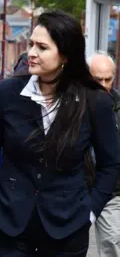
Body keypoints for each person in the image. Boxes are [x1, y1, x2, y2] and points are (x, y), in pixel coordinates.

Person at [0, 10, 120, 256]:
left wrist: (91, 211)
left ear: (65, 54)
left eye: (42, 47)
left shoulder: (95, 101)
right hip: (6, 222)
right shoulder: (6, 93)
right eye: (31, 44)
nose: (31, 53)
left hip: (68, 225)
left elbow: (111, 164)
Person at [87, 51, 120, 257]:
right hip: (77, 188)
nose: (104, 84)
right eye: (98, 79)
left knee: (113, 242)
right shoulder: (74, 104)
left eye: (108, 79)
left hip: (112, 190)